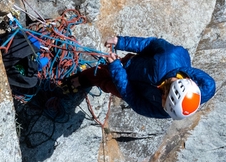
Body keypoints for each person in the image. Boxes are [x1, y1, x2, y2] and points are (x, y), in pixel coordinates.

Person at [77, 35, 216, 120]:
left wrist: (116, 69)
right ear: (170, 89)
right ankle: (79, 80)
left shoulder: (171, 109)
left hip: (131, 90)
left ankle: (88, 80)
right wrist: (120, 42)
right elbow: (149, 44)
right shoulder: (170, 56)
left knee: (107, 85)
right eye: (164, 97)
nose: (161, 103)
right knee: (100, 73)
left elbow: (134, 100)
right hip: (131, 65)